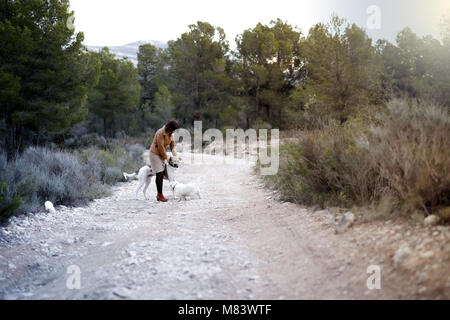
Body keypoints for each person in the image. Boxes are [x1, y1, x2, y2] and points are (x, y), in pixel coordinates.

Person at [150, 120, 180, 202]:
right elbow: (161, 147)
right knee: (159, 173)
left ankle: (162, 194)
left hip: (161, 154)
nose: (174, 131)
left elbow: (172, 146)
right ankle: (159, 195)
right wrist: (166, 158)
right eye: (174, 129)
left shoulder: (170, 134)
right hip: (155, 154)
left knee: (163, 173)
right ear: (170, 127)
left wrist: (176, 156)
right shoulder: (160, 132)